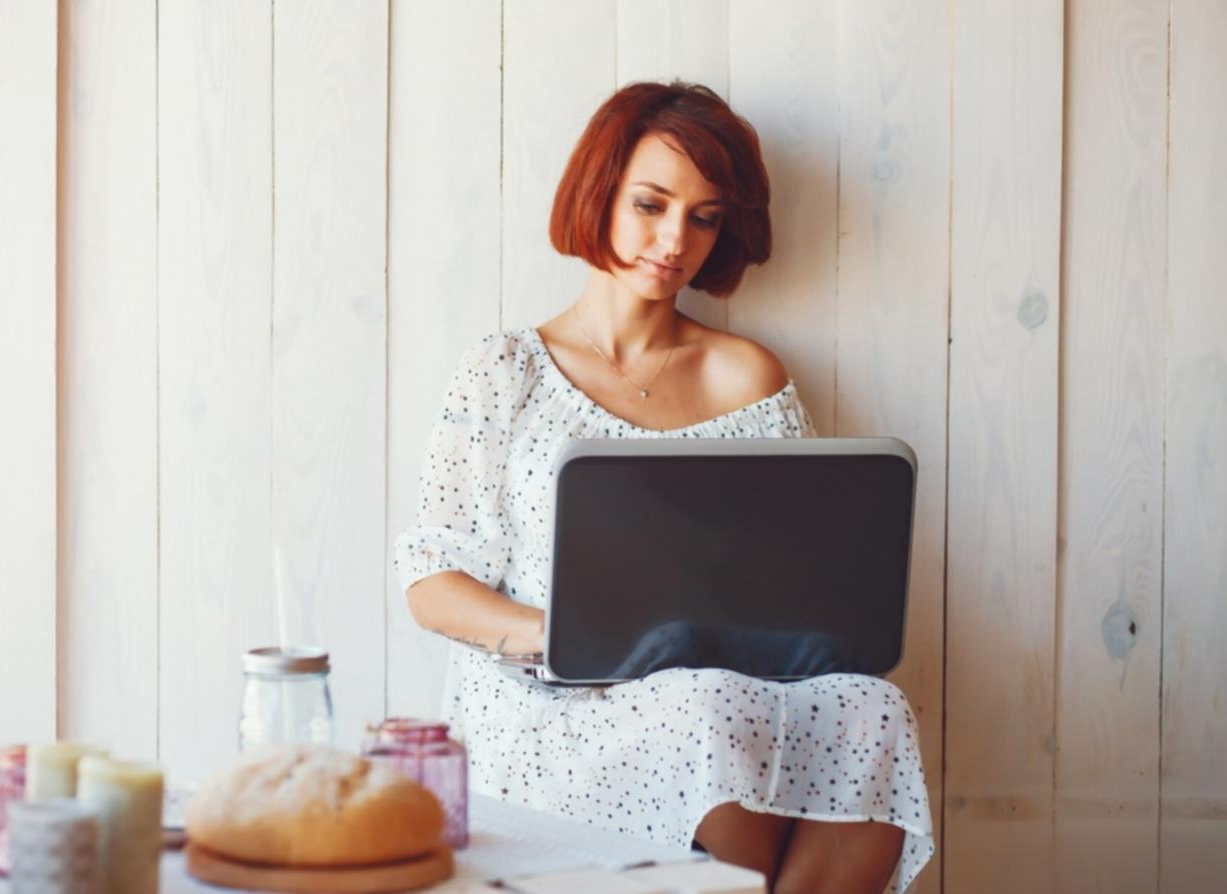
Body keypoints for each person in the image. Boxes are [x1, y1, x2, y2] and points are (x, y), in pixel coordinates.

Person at [393, 81, 933, 894]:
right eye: (650, 204)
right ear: (600, 195)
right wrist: (564, 636)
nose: (674, 239)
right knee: (699, 706)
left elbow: (805, 572)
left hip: (725, 685)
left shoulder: (748, 375)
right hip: (549, 706)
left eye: (705, 217)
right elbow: (432, 580)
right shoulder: (504, 372)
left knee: (872, 709)